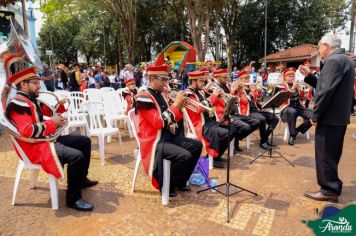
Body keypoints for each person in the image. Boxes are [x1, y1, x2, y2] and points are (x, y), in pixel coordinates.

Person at [6, 67, 97, 211]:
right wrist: (52, 123)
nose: (39, 86)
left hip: (44, 141)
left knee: (84, 141)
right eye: (35, 83)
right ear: (23, 84)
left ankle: (81, 179)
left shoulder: (30, 99)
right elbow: (27, 131)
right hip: (34, 148)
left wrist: (58, 107)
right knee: (77, 156)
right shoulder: (17, 104)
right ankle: (73, 198)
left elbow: (43, 116)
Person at [300, 33, 355, 203]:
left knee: (325, 154)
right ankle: (333, 184)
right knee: (331, 154)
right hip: (338, 117)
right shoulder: (344, 60)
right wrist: (310, 76)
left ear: (326, 45)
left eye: (319, 47)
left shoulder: (333, 61)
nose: (319, 51)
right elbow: (327, 85)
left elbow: (325, 92)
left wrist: (316, 114)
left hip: (330, 117)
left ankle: (329, 189)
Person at [136, 65, 202, 197]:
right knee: (185, 156)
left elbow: (171, 120)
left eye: (167, 79)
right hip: (154, 141)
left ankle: (180, 180)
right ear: (152, 79)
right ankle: (167, 184)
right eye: (163, 80)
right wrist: (175, 105)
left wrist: (179, 107)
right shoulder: (143, 97)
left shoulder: (161, 95)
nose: (166, 83)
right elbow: (157, 122)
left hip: (166, 136)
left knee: (197, 146)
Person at [185, 70, 229, 168]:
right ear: (193, 81)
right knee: (225, 133)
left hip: (208, 121)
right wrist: (213, 97)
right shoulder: (188, 94)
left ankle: (216, 156)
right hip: (199, 124)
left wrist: (219, 96)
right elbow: (199, 108)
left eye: (204, 81)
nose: (203, 83)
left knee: (231, 129)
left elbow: (210, 104)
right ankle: (211, 157)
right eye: (201, 81)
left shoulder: (200, 91)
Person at [210, 69, 259, 152]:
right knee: (245, 127)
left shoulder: (227, 86)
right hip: (224, 115)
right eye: (224, 77)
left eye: (227, 77)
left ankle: (236, 138)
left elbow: (234, 99)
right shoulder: (214, 88)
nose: (226, 79)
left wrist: (236, 91)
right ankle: (235, 141)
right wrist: (215, 95)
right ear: (217, 77)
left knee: (256, 122)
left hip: (233, 113)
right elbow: (212, 103)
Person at [238, 72, 279, 150]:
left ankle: (265, 138)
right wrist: (253, 91)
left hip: (256, 109)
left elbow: (258, 100)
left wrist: (259, 91)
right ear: (240, 79)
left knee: (275, 118)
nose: (248, 80)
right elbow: (245, 100)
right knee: (262, 119)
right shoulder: (238, 89)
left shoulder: (249, 88)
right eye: (246, 78)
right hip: (246, 111)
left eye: (248, 78)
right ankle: (263, 141)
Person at [274, 67, 313, 145]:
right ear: (285, 77)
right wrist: (293, 88)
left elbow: (302, 97)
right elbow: (282, 98)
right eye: (289, 76)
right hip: (286, 107)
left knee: (315, 115)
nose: (292, 78)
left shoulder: (297, 84)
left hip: (298, 106)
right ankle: (292, 136)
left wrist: (301, 90)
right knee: (292, 111)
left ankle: (297, 131)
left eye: (293, 76)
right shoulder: (280, 86)